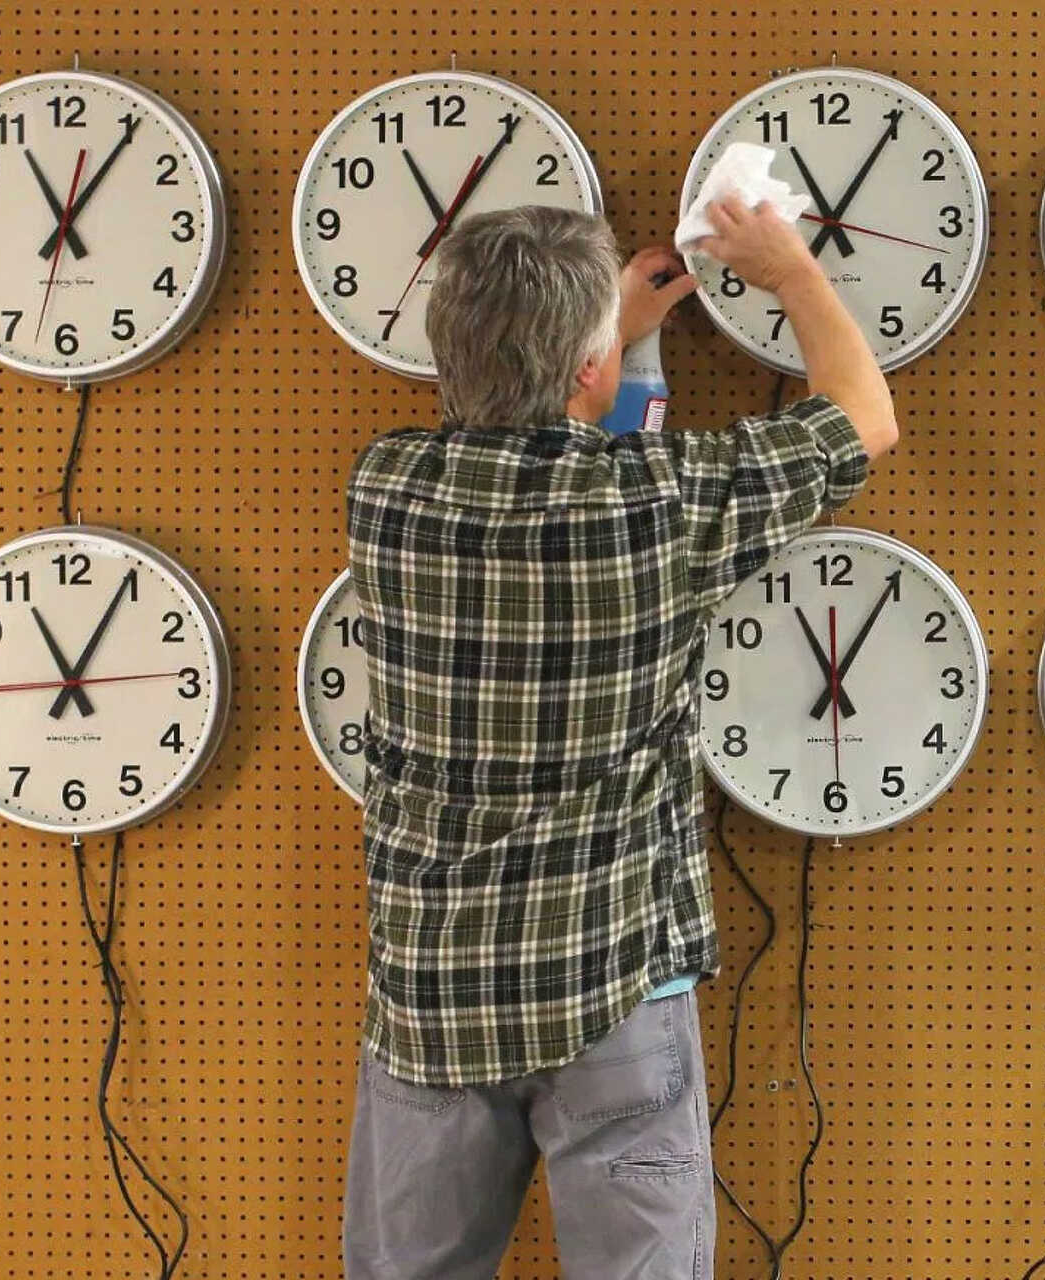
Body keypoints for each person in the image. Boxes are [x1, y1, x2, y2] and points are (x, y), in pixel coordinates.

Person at [340, 194, 896, 1280]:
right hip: (612, 986)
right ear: (590, 369)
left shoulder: (386, 487)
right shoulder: (660, 504)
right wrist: (791, 272)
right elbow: (862, 416)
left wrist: (608, 339)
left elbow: (536, 447)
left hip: (430, 992)